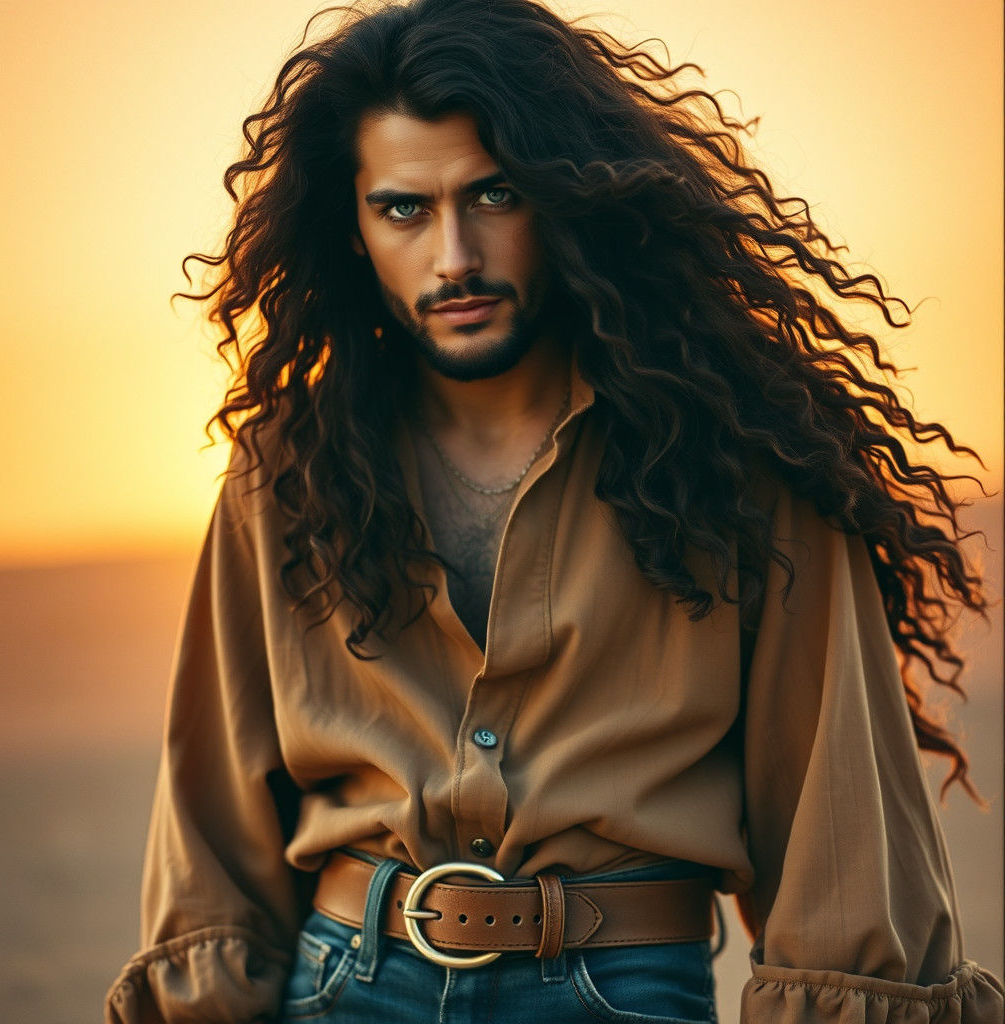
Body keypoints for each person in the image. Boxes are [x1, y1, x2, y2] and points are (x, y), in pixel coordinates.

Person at [104, 1, 1003, 1021]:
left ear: (566, 200)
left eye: (494, 194)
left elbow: (836, 841)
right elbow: (214, 832)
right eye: (403, 208)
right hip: (343, 984)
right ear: (349, 232)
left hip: (617, 989)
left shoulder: (740, 462)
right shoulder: (285, 474)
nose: (454, 255)